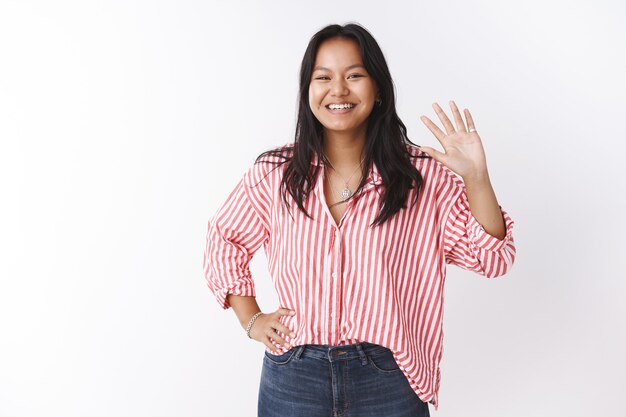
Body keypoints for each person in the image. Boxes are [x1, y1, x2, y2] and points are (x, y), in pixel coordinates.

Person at [203, 22, 516, 417]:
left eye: (354, 75)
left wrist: (476, 178)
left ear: (378, 88)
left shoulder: (420, 176)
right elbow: (224, 238)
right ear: (308, 91)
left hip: (387, 376)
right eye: (323, 78)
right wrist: (252, 320)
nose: (338, 90)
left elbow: (491, 258)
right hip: (294, 373)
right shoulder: (275, 173)